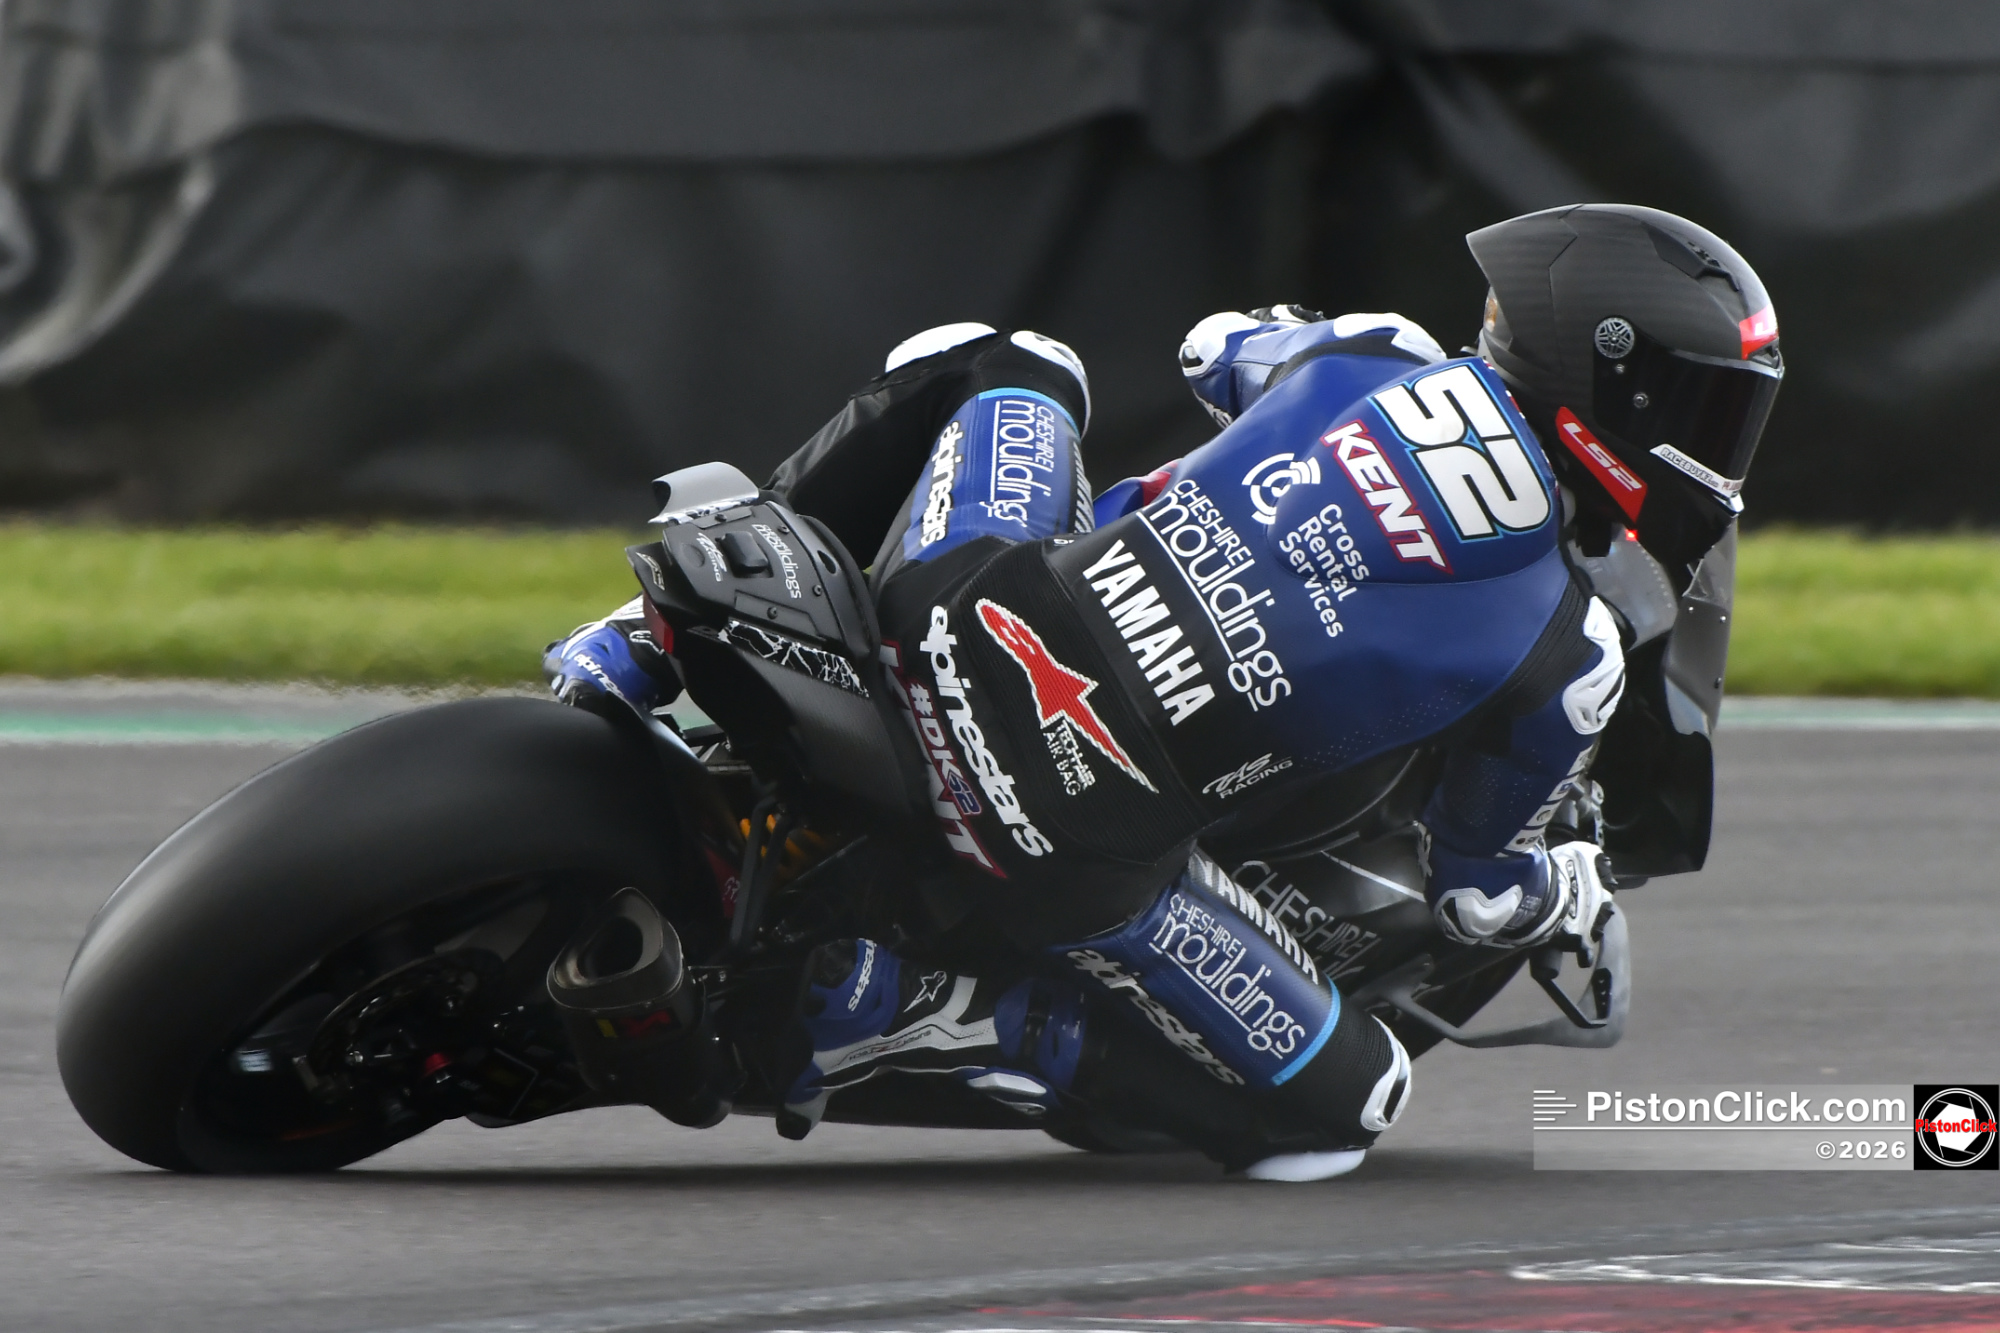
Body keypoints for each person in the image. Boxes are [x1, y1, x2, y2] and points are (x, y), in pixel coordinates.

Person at [546, 203, 1782, 1180]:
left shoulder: (1373, 349)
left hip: (954, 609)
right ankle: (930, 1009)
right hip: (1069, 834)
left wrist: (1283, 372)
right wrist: (1558, 893)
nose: (1717, 445)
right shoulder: (1572, 655)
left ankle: (639, 639)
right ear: (1611, 384)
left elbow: (1208, 349)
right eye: (1707, 406)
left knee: (1002, 361)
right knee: (1343, 1116)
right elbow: (1470, 895)